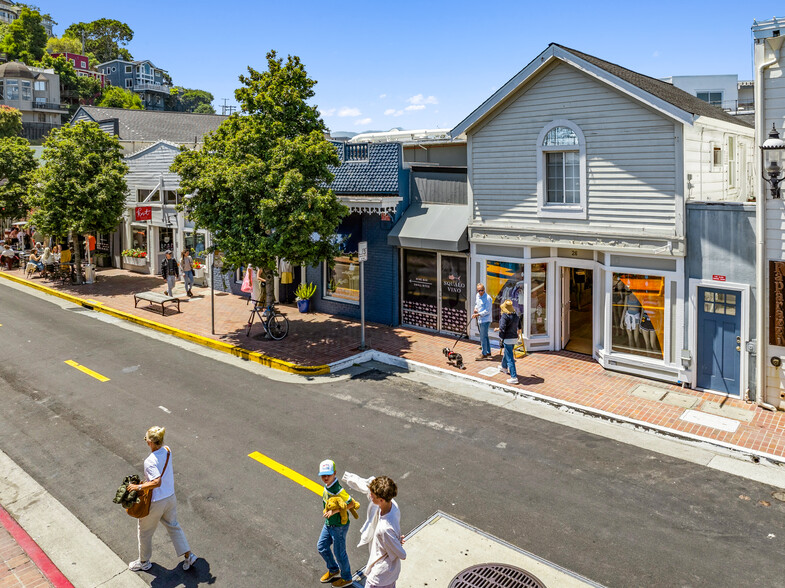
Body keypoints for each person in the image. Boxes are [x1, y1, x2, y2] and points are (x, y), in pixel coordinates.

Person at [125, 426, 197, 573]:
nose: (146, 442)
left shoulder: (150, 461)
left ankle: (144, 562)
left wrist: (138, 487)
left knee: (144, 531)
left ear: (150, 442)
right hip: (170, 497)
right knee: (173, 525)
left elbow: (156, 482)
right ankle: (189, 555)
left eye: (146, 440)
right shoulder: (168, 450)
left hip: (157, 501)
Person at [317, 459, 357, 587]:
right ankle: (334, 569)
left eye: (329, 474)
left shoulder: (338, 489)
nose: (326, 477)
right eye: (323, 475)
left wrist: (334, 511)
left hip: (339, 526)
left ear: (335, 473)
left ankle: (347, 578)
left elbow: (351, 503)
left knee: (340, 554)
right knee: (321, 547)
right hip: (329, 524)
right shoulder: (328, 485)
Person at [363, 476, 405, 588]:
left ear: (381, 500)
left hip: (380, 576)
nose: (370, 496)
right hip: (390, 575)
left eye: (372, 495)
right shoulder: (393, 506)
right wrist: (396, 541)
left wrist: (396, 543)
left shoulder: (385, 528)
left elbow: (402, 554)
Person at [495, 299, 520, 385]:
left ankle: (514, 377)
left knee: (510, 358)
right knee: (507, 352)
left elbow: (502, 328)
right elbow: (519, 327)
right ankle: (504, 367)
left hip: (507, 338)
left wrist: (497, 329)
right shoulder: (516, 316)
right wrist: (518, 334)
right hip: (514, 338)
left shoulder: (505, 316)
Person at [471, 283, 493, 360]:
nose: (480, 292)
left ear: (484, 290)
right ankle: (488, 352)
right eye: (479, 290)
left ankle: (484, 354)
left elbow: (487, 311)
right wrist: (476, 308)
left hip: (486, 320)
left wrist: (478, 314)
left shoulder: (488, 298)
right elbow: (476, 304)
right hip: (480, 319)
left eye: (482, 290)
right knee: (485, 336)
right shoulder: (477, 295)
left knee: (483, 337)